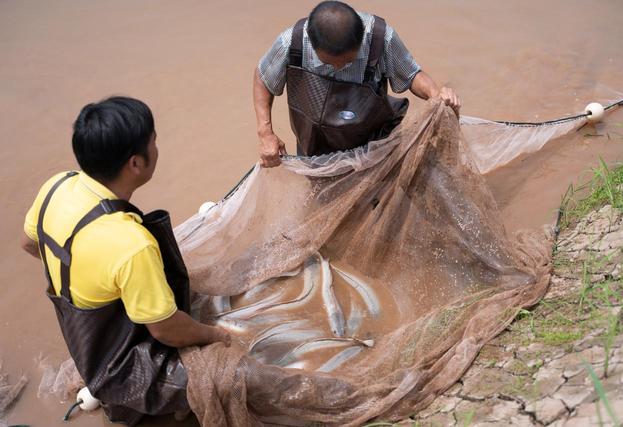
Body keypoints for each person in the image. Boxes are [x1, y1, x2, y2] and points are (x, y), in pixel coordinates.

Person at [21, 96, 230, 425]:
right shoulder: (131, 243)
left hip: (84, 339)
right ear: (136, 163)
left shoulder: (56, 185)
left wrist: (86, 276)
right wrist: (218, 336)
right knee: (232, 379)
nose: (157, 148)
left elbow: (30, 244)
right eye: (154, 142)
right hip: (123, 366)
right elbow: (166, 331)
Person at [254, 0, 461, 166]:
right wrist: (266, 133)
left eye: (348, 62)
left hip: (374, 146)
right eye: (328, 63)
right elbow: (263, 78)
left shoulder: (381, 39)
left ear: (361, 40)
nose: (338, 68)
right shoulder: (292, 42)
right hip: (315, 147)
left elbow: (412, 75)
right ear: (313, 45)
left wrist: (436, 95)